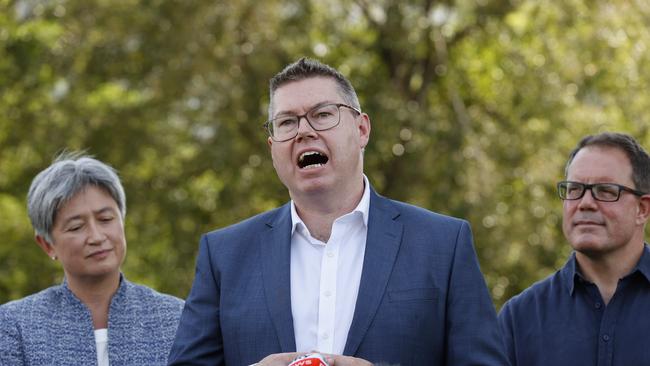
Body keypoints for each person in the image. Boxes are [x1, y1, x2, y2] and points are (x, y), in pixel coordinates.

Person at [168, 58, 508, 365]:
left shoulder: (443, 244)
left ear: (361, 129)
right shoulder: (224, 255)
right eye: (286, 122)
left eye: (322, 114)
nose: (304, 131)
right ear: (273, 148)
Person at [0, 153, 184, 366]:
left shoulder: (176, 318)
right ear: (47, 244)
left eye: (106, 219)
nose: (97, 237)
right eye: (77, 227)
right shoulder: (14, 324)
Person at [498, 132, 650, 366]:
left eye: (606, 190)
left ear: (642, 209)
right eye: (574, 189)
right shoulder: (519, 319)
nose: (585, 202)